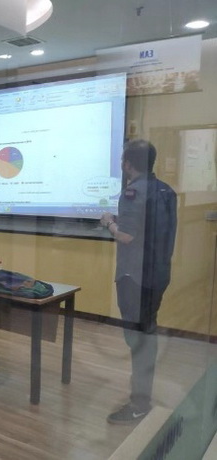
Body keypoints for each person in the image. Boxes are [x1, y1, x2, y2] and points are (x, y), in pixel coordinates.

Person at [100, 140, 177, 424]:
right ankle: (142, 392)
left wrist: (109, 222)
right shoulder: (166, 191)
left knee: (138, 340)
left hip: (135, 278)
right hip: (158, 275)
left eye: (123, 160)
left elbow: (127, 236)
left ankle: (139, 404)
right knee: (148, 334)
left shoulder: (132, 192)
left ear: (128, 164)